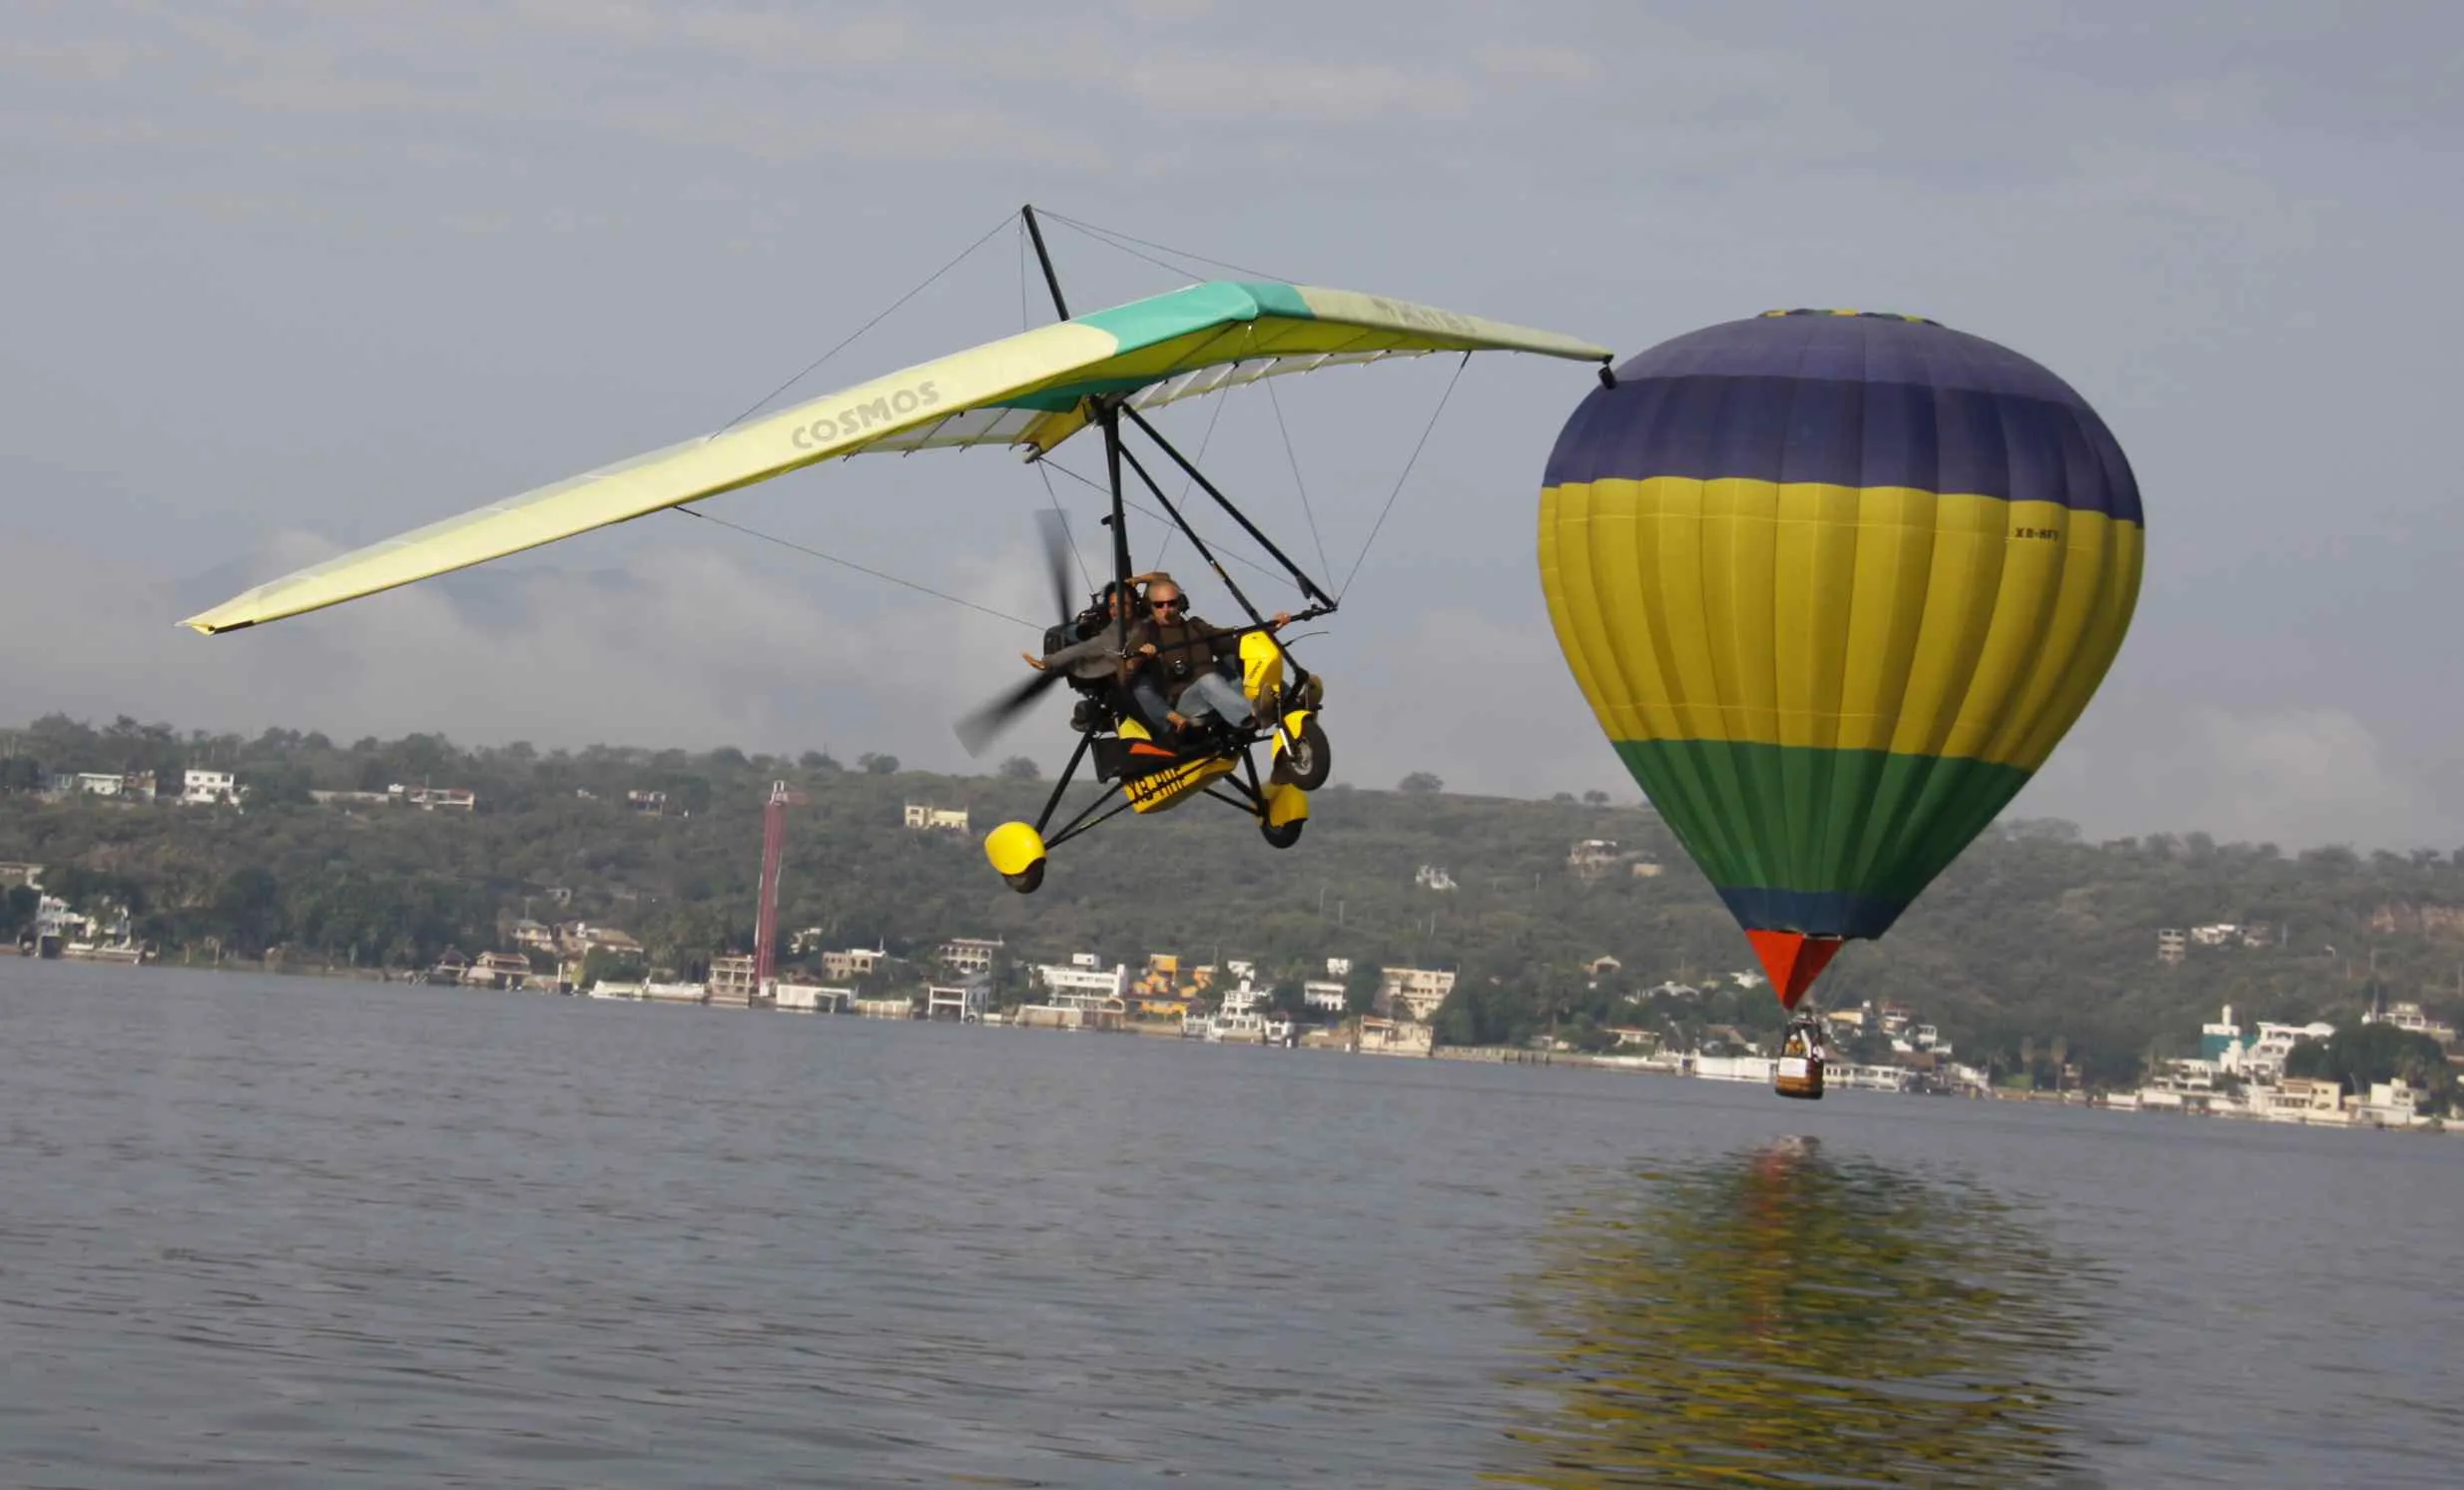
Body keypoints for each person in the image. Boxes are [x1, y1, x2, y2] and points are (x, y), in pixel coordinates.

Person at [1131, 579, 1290, 736]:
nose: (1166, 609)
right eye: (1159, 605)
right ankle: (1250, 716)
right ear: (1150, 607)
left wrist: (1268, 628)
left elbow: (1231, 639)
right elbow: (1127, 670)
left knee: (1245, 663)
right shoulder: (1146, 633)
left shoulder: (1196, 626)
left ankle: (1290, 700)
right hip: (1185, 704)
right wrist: (1141, 655)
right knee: (1208, 680)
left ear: (1180, 603)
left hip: (1218, 693)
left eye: (1171, 603)